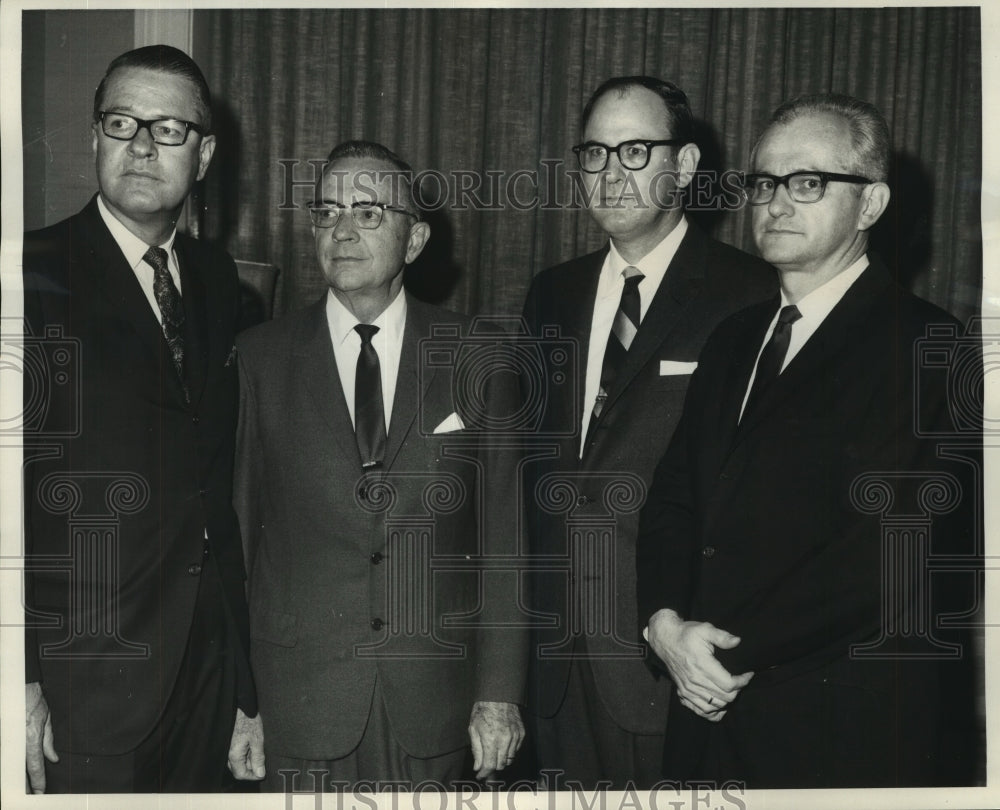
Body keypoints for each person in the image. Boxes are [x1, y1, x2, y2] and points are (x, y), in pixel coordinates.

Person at [637, 93, 981, 787]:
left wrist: (719, 657)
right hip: (705, 706)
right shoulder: (734, 337)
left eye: (808, 183)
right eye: (764, 183)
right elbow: (673, 498)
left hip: (836, 722)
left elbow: (886, 552)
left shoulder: (928, 344)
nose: (776, 204)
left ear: (873, 204)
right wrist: (664, 626)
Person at [234, 140, 527, 791]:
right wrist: (243, 701)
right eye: (327, 212)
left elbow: (505, 540)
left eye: (368, 213)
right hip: (297, 702)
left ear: (415, 239)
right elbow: (239, 541)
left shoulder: (480, 354)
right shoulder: (257, 358)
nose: (342, 230)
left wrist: (498, 693)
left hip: (434, 704)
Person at [519, 76, 775, 788]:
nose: (611, 173)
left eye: (636, 150)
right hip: (555, 663)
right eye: (595, 153)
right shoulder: (553, 292)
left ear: (686, 166)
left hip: (666, 661)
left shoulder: (749, 294)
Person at [22, 45, 263, 793]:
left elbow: (225, 488)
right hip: (82, 685)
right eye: (123, 122)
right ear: (95, 136)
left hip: (208, 672)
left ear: (205, 153)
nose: (143, 146)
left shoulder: (226, 287)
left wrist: (248, 688)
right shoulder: (28, 275)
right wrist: (18, 677)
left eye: (169, 129)